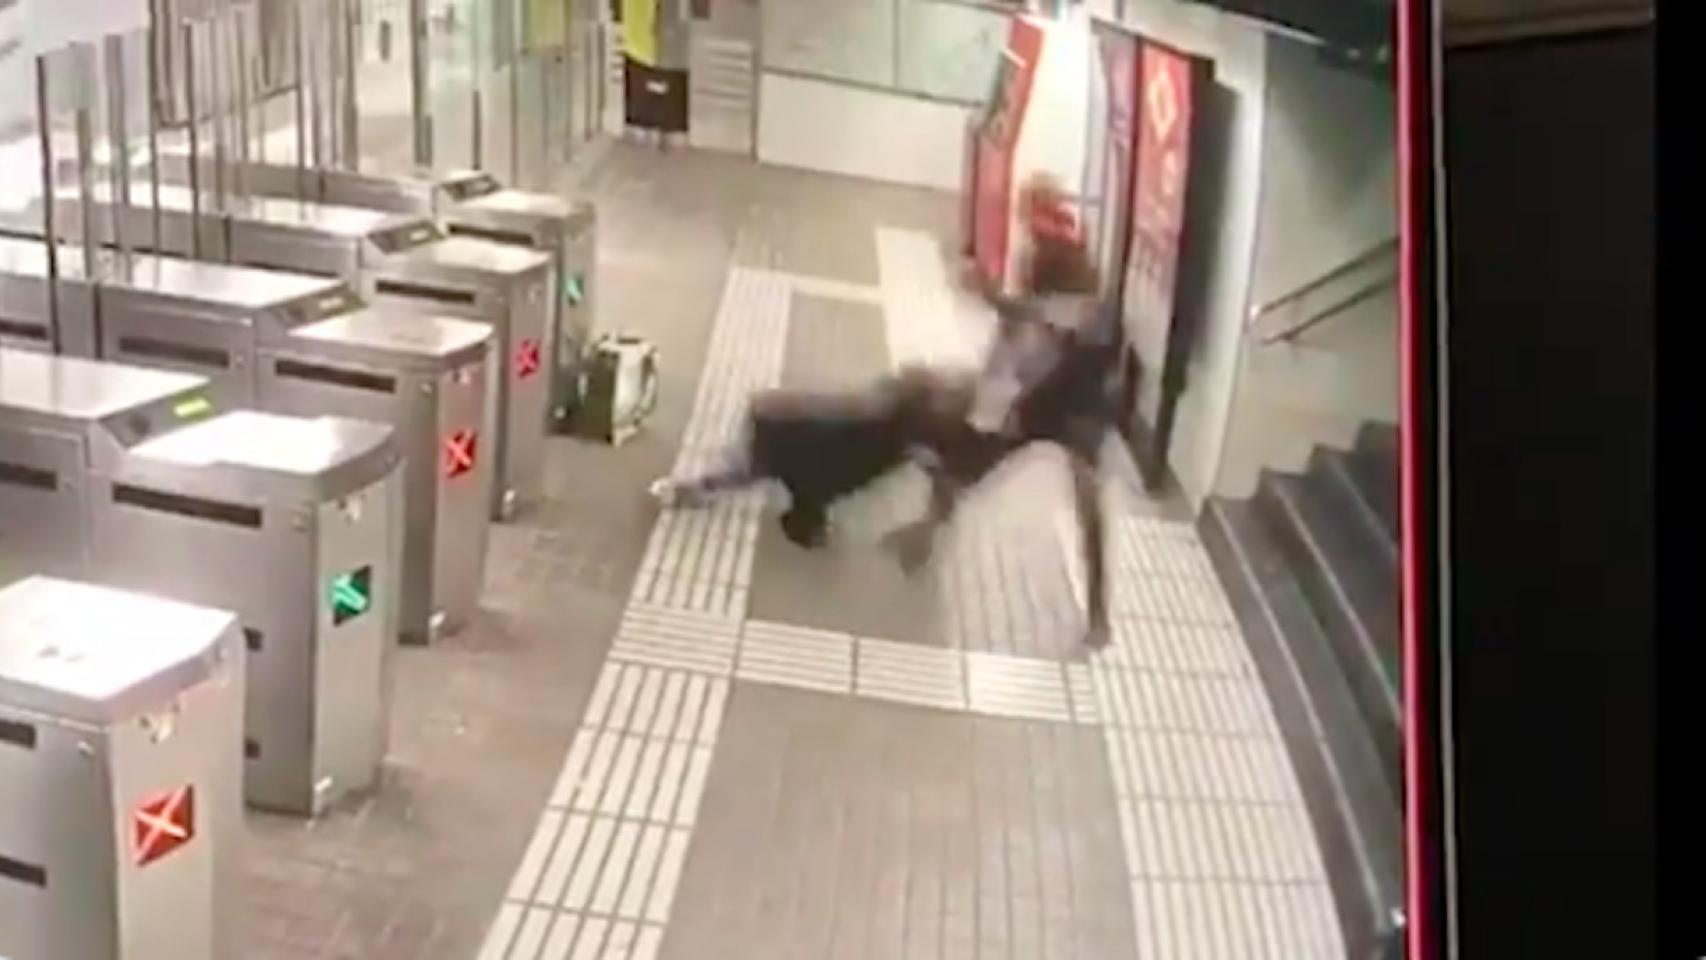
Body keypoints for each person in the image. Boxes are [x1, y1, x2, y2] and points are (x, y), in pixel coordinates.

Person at [887, 172, 1118, 650]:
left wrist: (988, 297)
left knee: (969, 454)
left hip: (1059, 400)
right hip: (1076, 403)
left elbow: (1038, 321)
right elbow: (1041, 322)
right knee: (1085, 507)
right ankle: (1098, 617)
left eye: (1026, 210)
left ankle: (927, 534)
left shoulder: (1055, 253)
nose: (1022, 222)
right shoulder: (1073, 254)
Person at [648, 366, 974, 548]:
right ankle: (684, 490)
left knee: (748, 467)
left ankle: (687, 490)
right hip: (789, 433)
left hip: (791, 426)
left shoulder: (899, 411)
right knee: (747, 467)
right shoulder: (893, 423)